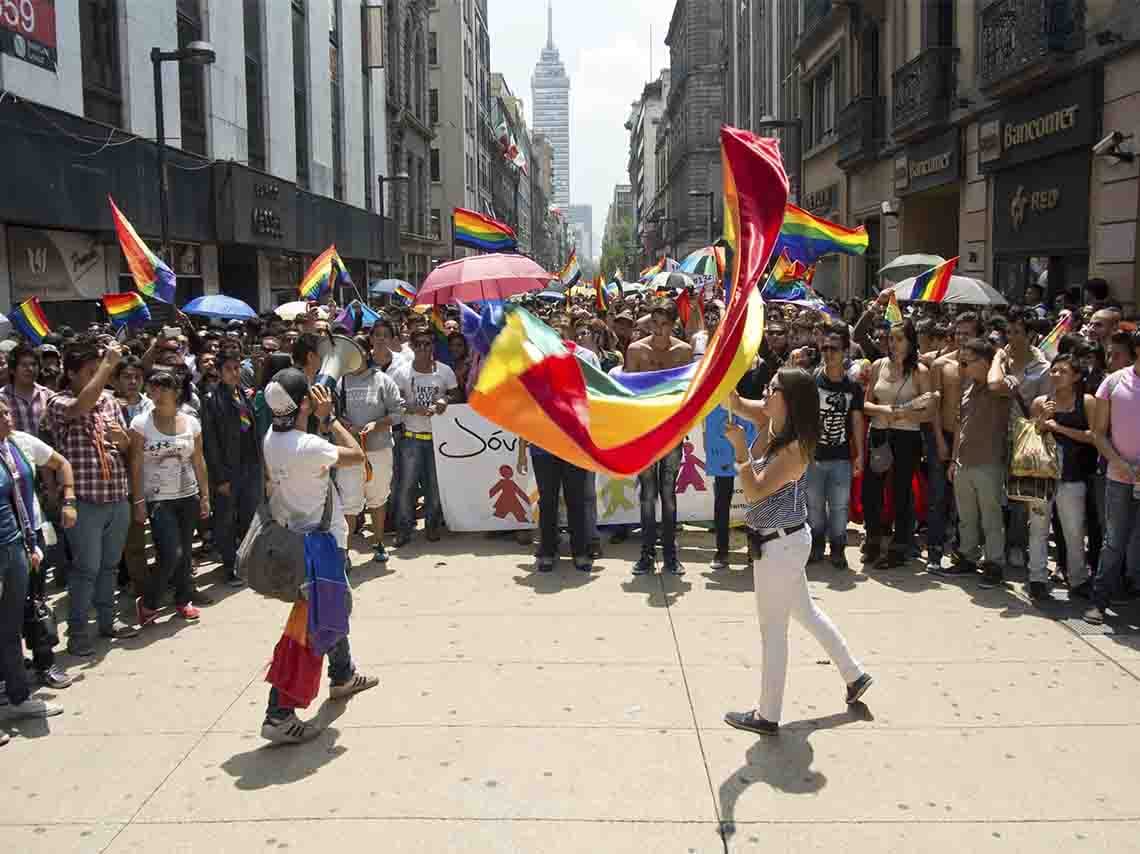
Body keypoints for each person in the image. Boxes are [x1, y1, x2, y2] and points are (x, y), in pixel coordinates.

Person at [721, 367, 872, 736]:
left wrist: (741, 452)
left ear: (789, 400)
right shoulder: (768, 418)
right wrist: (722, 372)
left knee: (773, 630)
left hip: (780, 546)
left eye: (773, 388)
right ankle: (855, 675)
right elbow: (735, 401)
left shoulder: (796, 448)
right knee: (807, 613)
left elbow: (755, 491)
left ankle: (768, 714)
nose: (766, 392)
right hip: (781, 542)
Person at [259, 368, 379, 744]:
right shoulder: (309, 446)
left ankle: (342, 674)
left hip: (300, 546)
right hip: (320, 550)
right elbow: (357, 455)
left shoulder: (271, 440)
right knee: (308, 633)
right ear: (305, 404)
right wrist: (329, 419)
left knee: (333, 612)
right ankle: (278, 714)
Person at [46, 341, 137, 656]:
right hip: (85, 501)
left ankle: (107, 622)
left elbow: (125, 446)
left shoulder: (110, 402)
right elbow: (79, 408)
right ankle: (78, 632)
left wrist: (122, 439)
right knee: (86, 569)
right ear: (70, 374)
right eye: (89, 371)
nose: (98, 375)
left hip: (115, 496)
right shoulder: (59, 401)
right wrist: (108, 365)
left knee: (110, 566)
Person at [0, 398, 77, 691]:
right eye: (2, 414)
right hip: (5, 541)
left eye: (8, 411)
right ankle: (9, 673)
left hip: (32, 535)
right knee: (8, 612)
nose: (9, 417)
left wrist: (68, 499)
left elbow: (62, 463)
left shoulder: (21, 442)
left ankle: (45, 663)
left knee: (36, 604)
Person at [130, 369, 211, 625]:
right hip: (158, 499)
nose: (158, 392)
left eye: (164, 386)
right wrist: (139, 501)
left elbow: (199, 460)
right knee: (171, 552)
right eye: (153, 387)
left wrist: (205, 495)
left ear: (176, 391)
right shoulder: (141, 424)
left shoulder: (191, 422)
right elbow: (135, 464)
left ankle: (183, 599)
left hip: (188, 494)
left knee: (186, 552)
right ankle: (149, 602)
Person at [625, 299, 692, 576]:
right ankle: (646, 554)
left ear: (674, 324)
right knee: (647, 494)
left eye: (665, 324)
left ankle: (671, 555)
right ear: (649, 323)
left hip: (671, 431)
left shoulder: (683, 351)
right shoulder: (636, 350)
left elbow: (687, 392)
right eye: (655, 324)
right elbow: (629, 391)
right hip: (644, 431)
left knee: (668, 493)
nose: (660, 330)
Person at [861, 320, 934, 568]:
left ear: (911, 342)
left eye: (899, 339)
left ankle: (899, 545)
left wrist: (903, 414)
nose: (894, 344)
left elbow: (928, 411)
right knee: (871, 490)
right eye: (891, 339)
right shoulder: (878, 365)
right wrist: (883, 409)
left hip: (907, 436)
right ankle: (872, 540)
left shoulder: (920, 372)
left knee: (901, 492)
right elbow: (866, 404)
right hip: (879, 433)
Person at [1026, 354, 1097, 602]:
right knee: (1038, 529)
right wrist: (1042, 420)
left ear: (1076, 376)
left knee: (1075, 531)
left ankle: (1077, 579)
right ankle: (1036, 579)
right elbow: (1030, 437)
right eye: (1054, 371)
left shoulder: (1086, 402)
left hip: (1072, 477)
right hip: (1042, 476)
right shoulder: (1040, 402)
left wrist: (1059, 428)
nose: (1055, 375)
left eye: (1062, 371)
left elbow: (1093, 436)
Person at [945, 339, 1012, 587]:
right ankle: (968, 557)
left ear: (985, 362)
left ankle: (994, 564)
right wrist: (953, 460)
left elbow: (995, 383)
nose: (962, 367)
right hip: (964, 462)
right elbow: (959, 425)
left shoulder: (1004, 383)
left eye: (967, 362)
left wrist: (998, 358)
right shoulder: (967, 387)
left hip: (989, 462)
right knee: (966, 517)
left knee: (991, 518)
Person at [1086, 329, 1140, 624]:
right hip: (1119, 478)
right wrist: (1120, 463)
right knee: (1114, 541)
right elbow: (1098, 432)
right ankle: (1100, 600)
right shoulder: (1114, 382)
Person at [390, 327, 458, 546]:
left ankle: (432, 526)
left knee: (435, 486)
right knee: (406, 486)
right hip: (411, 437)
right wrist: (410, 407)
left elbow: (456, 393)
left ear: (433, 346)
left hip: (439, 439)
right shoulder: (401, 372)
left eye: (426, 343)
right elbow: (394, 400)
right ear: (412, 346)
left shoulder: (445, 371)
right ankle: (403, 529)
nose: (422, 348)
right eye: (417, 344)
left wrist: (444, 401)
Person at [338, 340, 404, 563]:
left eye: (356, 351)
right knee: (349, 502)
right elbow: (331, 414)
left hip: (379, 449)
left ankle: (378, 543)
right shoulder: (341, 382)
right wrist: (345, 425)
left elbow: (398, 412)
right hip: (349, 453)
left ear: (365, 353)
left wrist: (377, 424)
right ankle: (345, 554)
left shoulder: (383, 380)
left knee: (378, 498)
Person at [805, 326, 865, 569]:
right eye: (825, 348)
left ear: (845, 352)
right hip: (814, 456)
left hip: (841, 457)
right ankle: (816, 545)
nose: (828, 353)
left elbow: (857, 421)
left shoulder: (853, 387)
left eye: (834, 349)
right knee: (815, 507)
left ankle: (838, 548)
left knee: (840, 507)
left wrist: (860, 454)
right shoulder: (811, 380)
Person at [926, 312, 982, 569]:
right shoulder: (941, 365)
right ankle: (935, 550)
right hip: (943, 435)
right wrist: (939, 440)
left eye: (967, 333)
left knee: (966, 501)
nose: (961, 337)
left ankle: (963, 552)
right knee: (938, 496)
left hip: (973, 440)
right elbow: (934, 408)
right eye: (958, 332)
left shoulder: (985, 366)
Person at [202, 350, 262, 587]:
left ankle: (245, 562)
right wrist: (220, 477)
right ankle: (229, 565)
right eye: (229, 369)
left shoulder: (243, 394)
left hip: (250, 465)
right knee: (225, 520)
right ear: (218, 371)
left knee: (249, 516)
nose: (234, 373)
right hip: (228, 469)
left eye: (237, 368)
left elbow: (253, 430)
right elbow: (210, 442)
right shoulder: (211, 399)